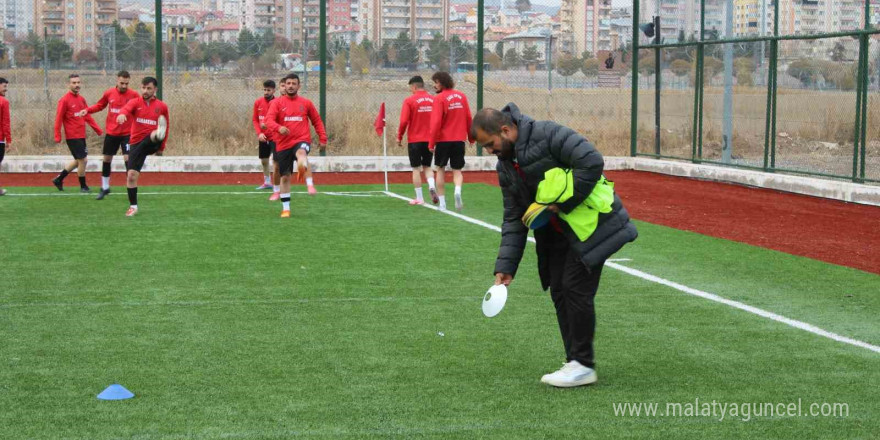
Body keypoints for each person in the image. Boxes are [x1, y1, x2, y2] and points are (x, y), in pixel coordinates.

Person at [471, 104, 638, 388]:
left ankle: (583, 365)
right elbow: (514, 216)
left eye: (490, 144)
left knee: (574, 287)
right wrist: (506, 267)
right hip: (558, 235)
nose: (489, 151)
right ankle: (576, 361)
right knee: (559, 289)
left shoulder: (547, 133)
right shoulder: (506, 167)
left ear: (505, 130)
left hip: (594, 226)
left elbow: (592, 162)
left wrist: (560, 204)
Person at [265, 73, 327, 217]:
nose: (291, 86)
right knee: (285, 177)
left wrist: (323, 138)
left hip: (301, 139)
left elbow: (317, 121)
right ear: (284, 86)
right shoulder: (277, 103)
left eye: (294, 83)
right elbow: (268, 120)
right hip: (282, 144)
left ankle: (309, 183)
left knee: (301, 153)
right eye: (288, 83)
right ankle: (286, 209)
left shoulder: (306, 103)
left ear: (299, 86)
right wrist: (278, 128)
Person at [83, 70, 140, 200]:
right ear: (117, 81)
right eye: (122, 83)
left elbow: (140, 110)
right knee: (107, 159)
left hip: (127, 133)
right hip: (112, 133)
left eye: (126, 83)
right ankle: (105, 187)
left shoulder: (134, 95)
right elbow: (100, 105)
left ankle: (130, 187)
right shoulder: (109, 93)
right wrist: (87, 110)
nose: (124, 86)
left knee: (128, 159)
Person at [116, 77, 169, 217]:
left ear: (155, 89)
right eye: (143, 88)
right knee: (131, 176)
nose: (145, 91)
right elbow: (126, 109)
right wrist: (122, 114)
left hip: (152, 143)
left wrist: (161, 147)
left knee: (151, 136)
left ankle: (157, 135)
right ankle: (133, 207)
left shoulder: (161, 107)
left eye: (149, 88)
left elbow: (167, 125)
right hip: (136, 144)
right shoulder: (135, 102)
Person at [428, 71, 474, 211]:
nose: (434, 85)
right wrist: (471, 137)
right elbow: (468, 118)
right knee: (457, 171)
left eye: (436, 82)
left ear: (442, 82)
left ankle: (442, 204)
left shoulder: (439, 98)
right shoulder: (462, 96)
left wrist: (431, 143)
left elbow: (435, 123)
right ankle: (457, 191)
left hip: (443, 141)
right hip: (459, 139)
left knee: (440, 170)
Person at [52, 74, 103, 193]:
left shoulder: (81, 99)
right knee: (83, 161)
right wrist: (57, 135)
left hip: (81, 135)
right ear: (69, 84)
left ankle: (59, 179)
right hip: (72, 136)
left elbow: (87, 116)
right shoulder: (64, 100)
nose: (76, 85)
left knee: (78, 160)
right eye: (74, 83)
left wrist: (97, 129)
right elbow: (58, 119)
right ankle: (83, 186)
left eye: (78, 82)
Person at [397, 75, 437, 205]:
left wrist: (400, 136)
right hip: (430, 139)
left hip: (415, 139)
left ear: (414, 86)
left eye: (411, 88)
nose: (411, 91)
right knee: (427, 166)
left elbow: (403, 121)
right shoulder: (433, 99)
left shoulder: (409, 100)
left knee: (415, 168)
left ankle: (419, 198)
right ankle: (431, 186)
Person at [253, 79, 277, 191]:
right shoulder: (258, 102)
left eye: (269, 90)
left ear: (274, 91)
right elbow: (255, 120)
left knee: (277, 161)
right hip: (263, 137)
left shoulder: (278, 103)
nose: (266, 92)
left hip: (275, 137)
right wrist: (259, 133)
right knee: (264, 160)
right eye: (265, 90)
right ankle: (267, 182)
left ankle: (279, 182)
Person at [0, 77, 10, 196]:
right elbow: (5, 122)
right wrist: (9, 139)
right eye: (4, 86)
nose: (6, 89)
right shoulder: (3, 102)